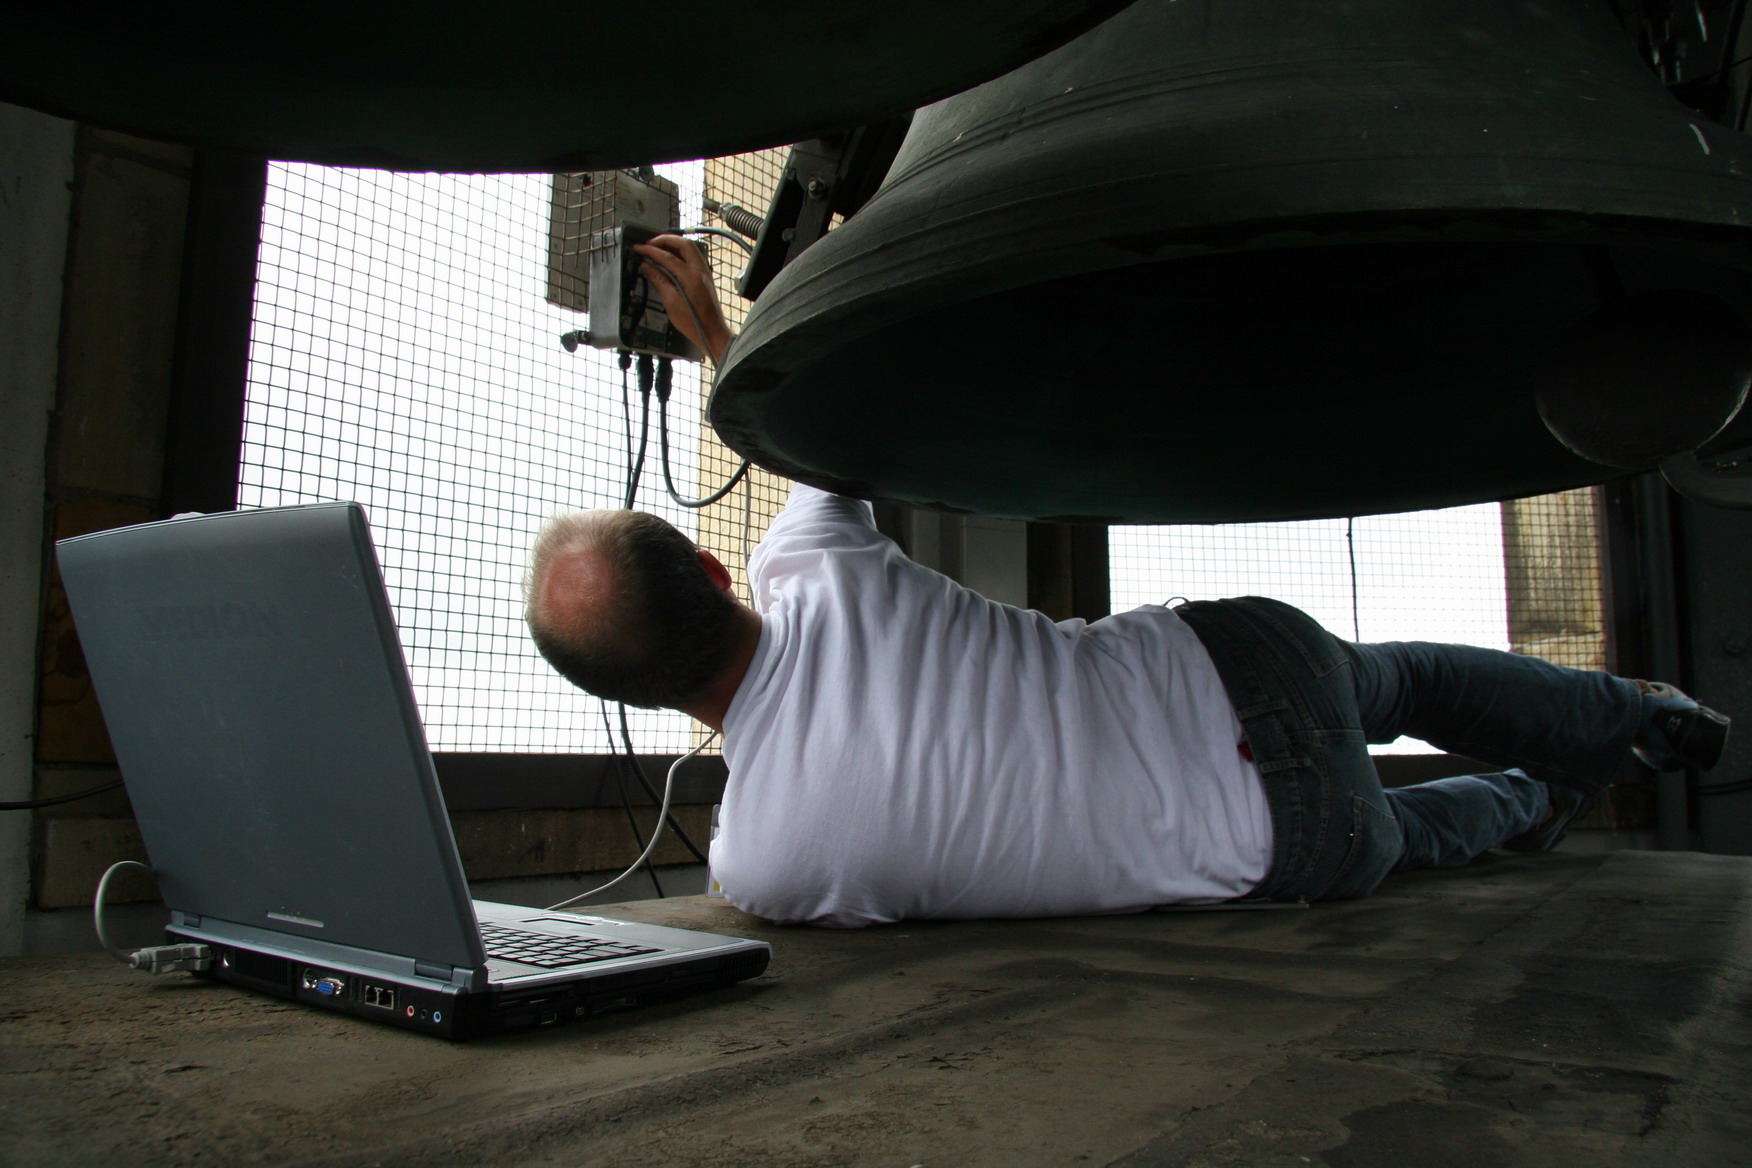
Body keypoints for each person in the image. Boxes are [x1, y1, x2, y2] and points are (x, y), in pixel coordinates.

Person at [523, 235, 1732, 928]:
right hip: (1242, 667)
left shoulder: (764, 863)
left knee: (1409, 834)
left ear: (630, 699)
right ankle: (1635, 715)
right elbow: (802, 429)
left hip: (1280, 839)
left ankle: (1537, 797)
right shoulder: (818, 567)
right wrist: (717, 332)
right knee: (1406, 680)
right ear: (709, 564)